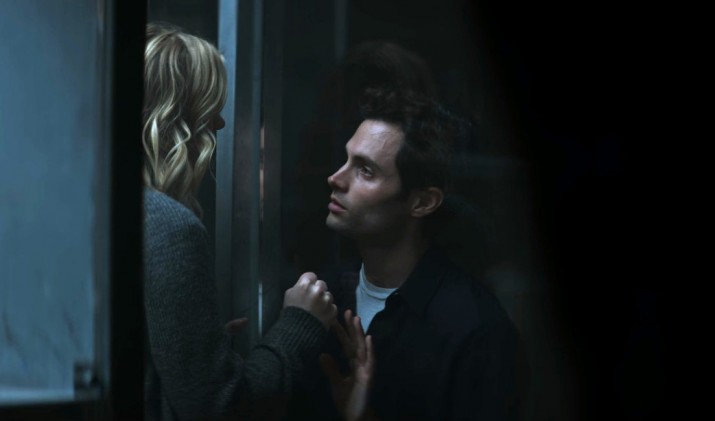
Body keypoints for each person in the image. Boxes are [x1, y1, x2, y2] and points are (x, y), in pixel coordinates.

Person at [142, 22, 341, 420]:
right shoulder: (170, 229)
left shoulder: (99, 211)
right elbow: (219, 406)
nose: (219, 124)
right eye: (208, 107)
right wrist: (299, 325)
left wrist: (199, 356)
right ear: (175, 117)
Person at [312, 89, 521, 420]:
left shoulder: (476, 330)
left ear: (422, 202)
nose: (335, 178)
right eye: (347, 159)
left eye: (365, 170)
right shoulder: (324, 294)